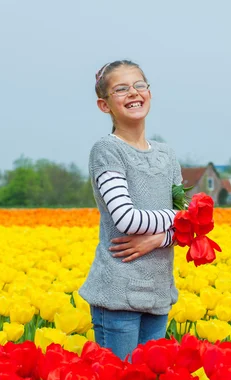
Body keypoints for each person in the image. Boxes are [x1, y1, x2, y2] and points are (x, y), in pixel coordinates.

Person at [78, 60, 182, 362]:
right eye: (120, 89)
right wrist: (178, 220)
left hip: (159, 292)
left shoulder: (167, 155)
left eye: (139, 85)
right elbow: (127, 218)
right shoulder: (107, 151)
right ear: (104, 105)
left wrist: (157, 240)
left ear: (149, 92)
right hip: (117, 293)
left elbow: (191, 227)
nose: (133, 93)